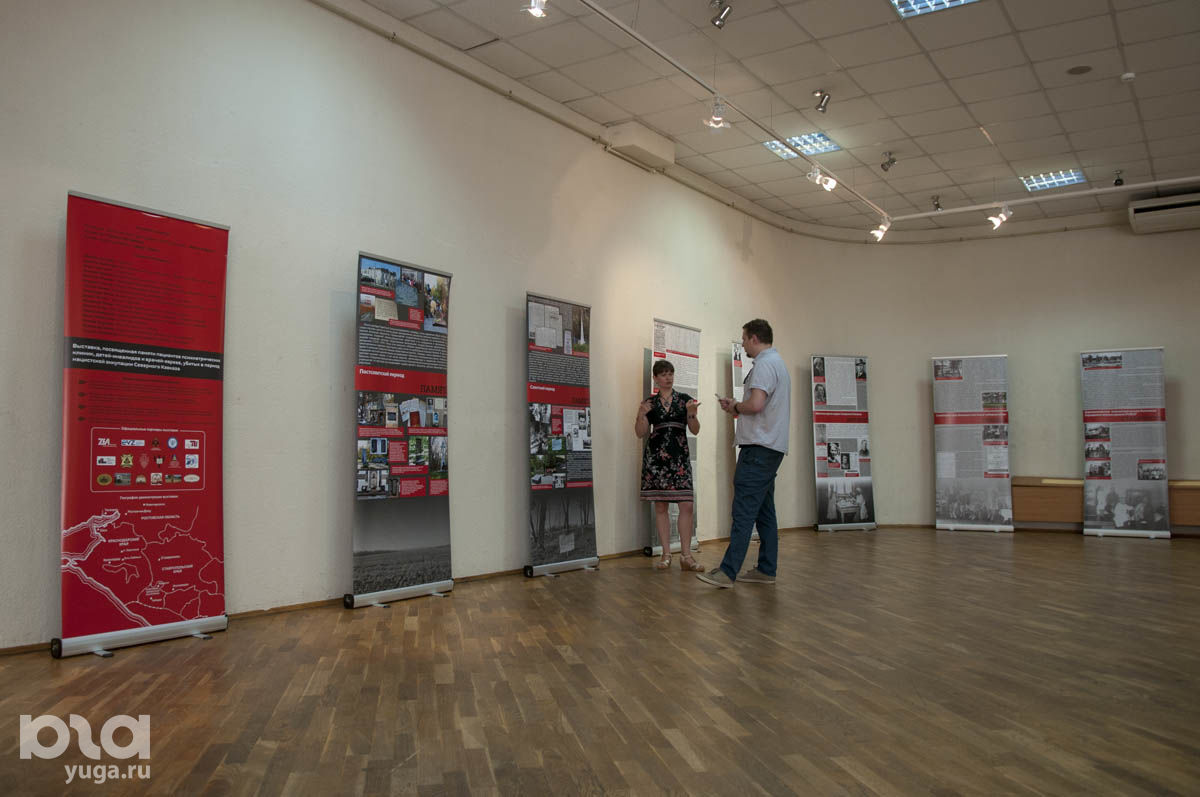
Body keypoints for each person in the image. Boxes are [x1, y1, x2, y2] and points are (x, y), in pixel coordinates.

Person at [700, 319, 791, 588]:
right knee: (764, 511)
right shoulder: (778, 363)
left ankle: (728, 572)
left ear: (754, 338)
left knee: (743, 510)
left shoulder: (763, 364)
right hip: (771, 447)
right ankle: (766, 569)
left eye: (744, 339)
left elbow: (757, 404)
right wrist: (737, 406)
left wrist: (737, 406)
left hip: (759, 448)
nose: (742, 344)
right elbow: (760, 404)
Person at [635, 360, 702, 571]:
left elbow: (695, 429)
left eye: (671, 373)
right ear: (655, 378)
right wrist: (641, 414)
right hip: (656, 460)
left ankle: (686, 556)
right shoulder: (649, 403)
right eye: (663, 374)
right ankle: (666, 554)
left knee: (687, 504)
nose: (668, 378)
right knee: (661, 505)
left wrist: (691, 413)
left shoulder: (685, 400)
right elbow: (640, 432)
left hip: (679, 458)